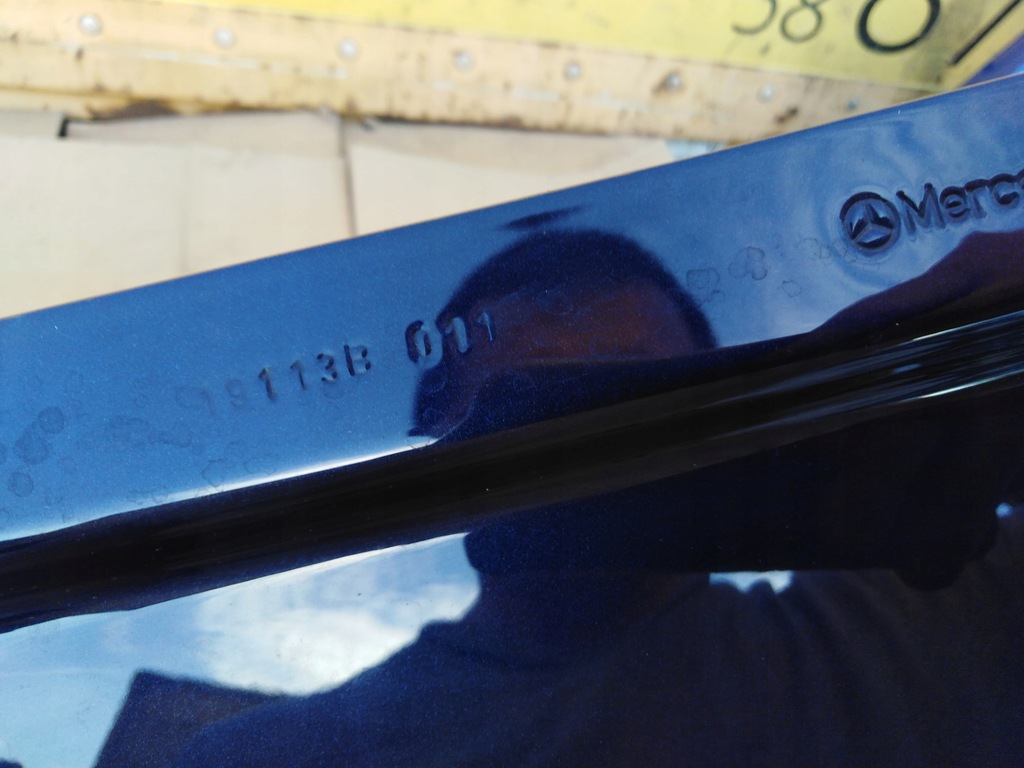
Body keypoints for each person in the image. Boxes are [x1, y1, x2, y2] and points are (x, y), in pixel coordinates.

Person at [164, 228, 1024, 767]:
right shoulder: (270, 757)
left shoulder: (952, 617)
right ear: (439, 439)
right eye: (544, 405)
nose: (602, 452)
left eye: (646, 397)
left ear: (722, 411)